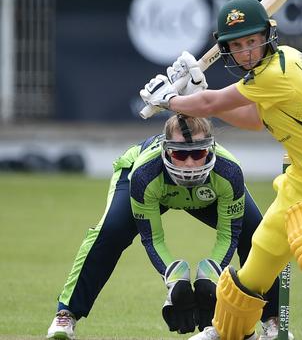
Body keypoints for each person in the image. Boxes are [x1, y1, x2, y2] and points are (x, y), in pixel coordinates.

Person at [140, 0, 302, 340]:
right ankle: (226, 332)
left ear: (268, 36)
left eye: (251, 41)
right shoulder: (274, 70)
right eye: (237, 45)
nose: (246, 52)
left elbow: (212, 103)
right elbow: (254, 119)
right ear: (227, 50)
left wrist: (170, 100)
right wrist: (199, 99)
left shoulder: (278, 72)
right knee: (260, 259)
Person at [47, 115, 287, 340]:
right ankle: (66, 313)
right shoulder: (143, 174)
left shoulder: (229, 172)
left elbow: (229, 234)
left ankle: (273, 320)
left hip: (208, 194)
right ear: (166, 150)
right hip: (155, 187)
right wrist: (172, 276)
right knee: (109, 232)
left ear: (210, 149)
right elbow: (152, 238)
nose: (190, 165)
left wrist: (213, 270)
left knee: (258, 233)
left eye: (199, 153)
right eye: (180, 155)